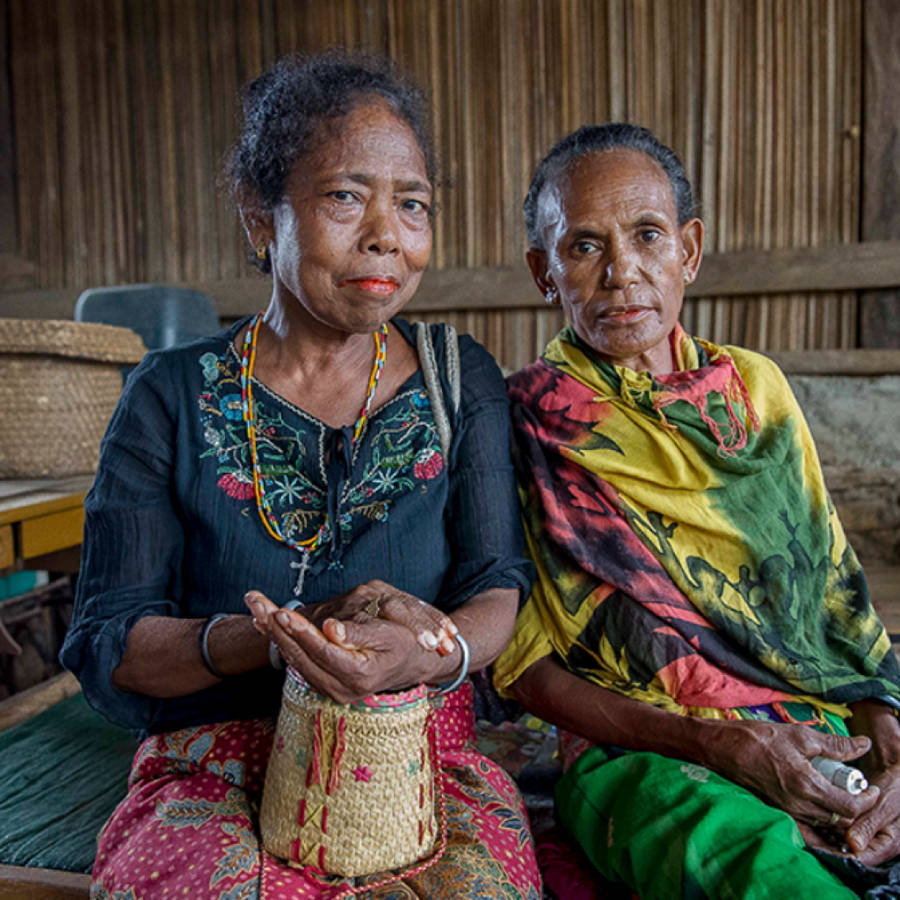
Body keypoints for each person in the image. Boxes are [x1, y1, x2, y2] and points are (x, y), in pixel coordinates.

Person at [61, 52, 541, 899]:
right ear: (261, 218)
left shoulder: (457, 378)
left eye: (413, 204)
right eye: (346, 197)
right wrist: (282, 637)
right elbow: (115, 639)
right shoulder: (169, 396)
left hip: (416, 755)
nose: (387, 233)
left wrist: (430, 655)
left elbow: (496, 585)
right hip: (210, 765)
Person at [493, 122, 900, 899]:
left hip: (817, 720)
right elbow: (530, 672)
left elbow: (838, 600)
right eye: (583, 247)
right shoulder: (523, 421)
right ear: (544, 272)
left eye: (647, 235)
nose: (621, 272)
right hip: (643, 748)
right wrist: (719, 745)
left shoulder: (759, 392)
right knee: (765, 876)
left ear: (690, 250)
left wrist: (889, 737)